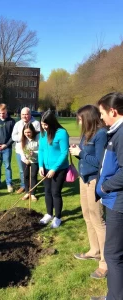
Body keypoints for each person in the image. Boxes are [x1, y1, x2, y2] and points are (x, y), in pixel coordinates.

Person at [69, 105, 108, 279]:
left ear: (88, 117)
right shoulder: (87, 133)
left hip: (94, 179)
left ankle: (105, 262)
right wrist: (78, 152)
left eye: (80, 118)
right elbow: (85, 155)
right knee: (86, 214)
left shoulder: (101, 134)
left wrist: (81, 153)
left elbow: (100, 161)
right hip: (83, 179)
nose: (78, 121)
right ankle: (94, 250)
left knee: (98, 218)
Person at [94, 92, 123, 300]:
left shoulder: (121, 134)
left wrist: (105, 187)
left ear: (113, 111)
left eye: (102, 113)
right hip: (115, 200)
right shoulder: (116, 132)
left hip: (118, 204)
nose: (101, 117)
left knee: (113, 255)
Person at [38, 110, 69, 228]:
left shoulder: (61, 133)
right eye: (42, 124)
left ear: (52, 122)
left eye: (46, 124)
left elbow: (64, 153)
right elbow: (41, 150)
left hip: (59, 169)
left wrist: (54, 169)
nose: (44, 127)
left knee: (55, 192)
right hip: (46, 168)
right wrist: (41, 165)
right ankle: (49, 214)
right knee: (47, 191)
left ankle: (57, 217)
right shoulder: (43, 134)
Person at [12, 107, 40, 194]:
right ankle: (24, 186)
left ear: (30, 114)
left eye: (27, 114)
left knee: (33, 173)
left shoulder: (36, 123)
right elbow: (13, 136)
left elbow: (38, 136)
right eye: (23, 114)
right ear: (20, 115)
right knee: (23, 171)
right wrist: (22, 137)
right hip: (21, 150)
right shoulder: (18, 124)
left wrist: (29, 137)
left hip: (34, 151)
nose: (25, 116)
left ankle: (32, 190)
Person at [0, 103, 16, 193]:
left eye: (3, 113)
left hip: (7, 148)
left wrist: (6, 145)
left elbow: (14, 136)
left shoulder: (11, 121)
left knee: (7, 166)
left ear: (6, 111)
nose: (2, 115)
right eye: (0, 113)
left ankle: (9, 184)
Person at [20, 122, 40, 201]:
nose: (27, 134)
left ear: (32, 131)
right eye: (25, 132)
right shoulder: (22, 138)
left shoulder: (38, 137)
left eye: (29, 132)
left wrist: (34, 153)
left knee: (33, 175)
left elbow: (41, 149)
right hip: (25, 160)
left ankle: (32, 194)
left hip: (35, 160)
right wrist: (25, 159)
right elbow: (20, 150)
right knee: (26, 176)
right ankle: (27, 192)